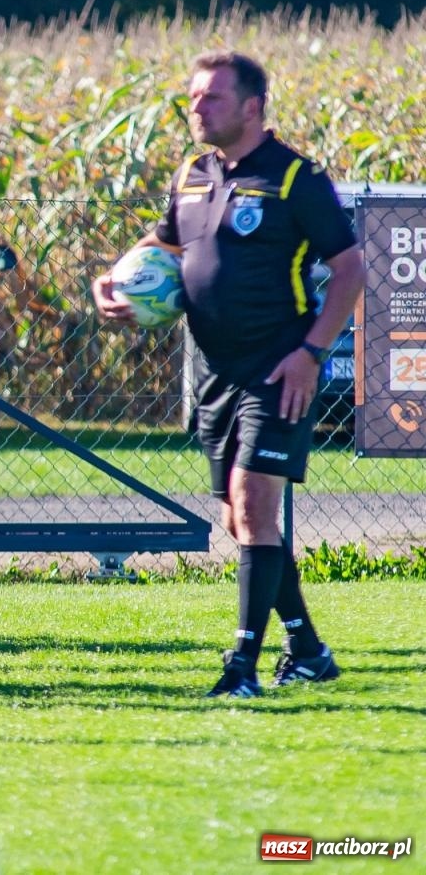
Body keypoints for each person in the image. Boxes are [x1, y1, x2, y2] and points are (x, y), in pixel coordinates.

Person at [94, 51, 360, 698]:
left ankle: (241, 666)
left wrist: (311, 353)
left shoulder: (296, 177)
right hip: (213, 371)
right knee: (242, 524)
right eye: (192, 98)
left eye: (211, 98)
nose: (197, 109)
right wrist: (118, 282)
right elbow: (166, 248)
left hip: (279, 368)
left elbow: (349, 267)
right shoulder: (192, 174)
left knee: (253, 504)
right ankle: (308, 649)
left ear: (251, 106)